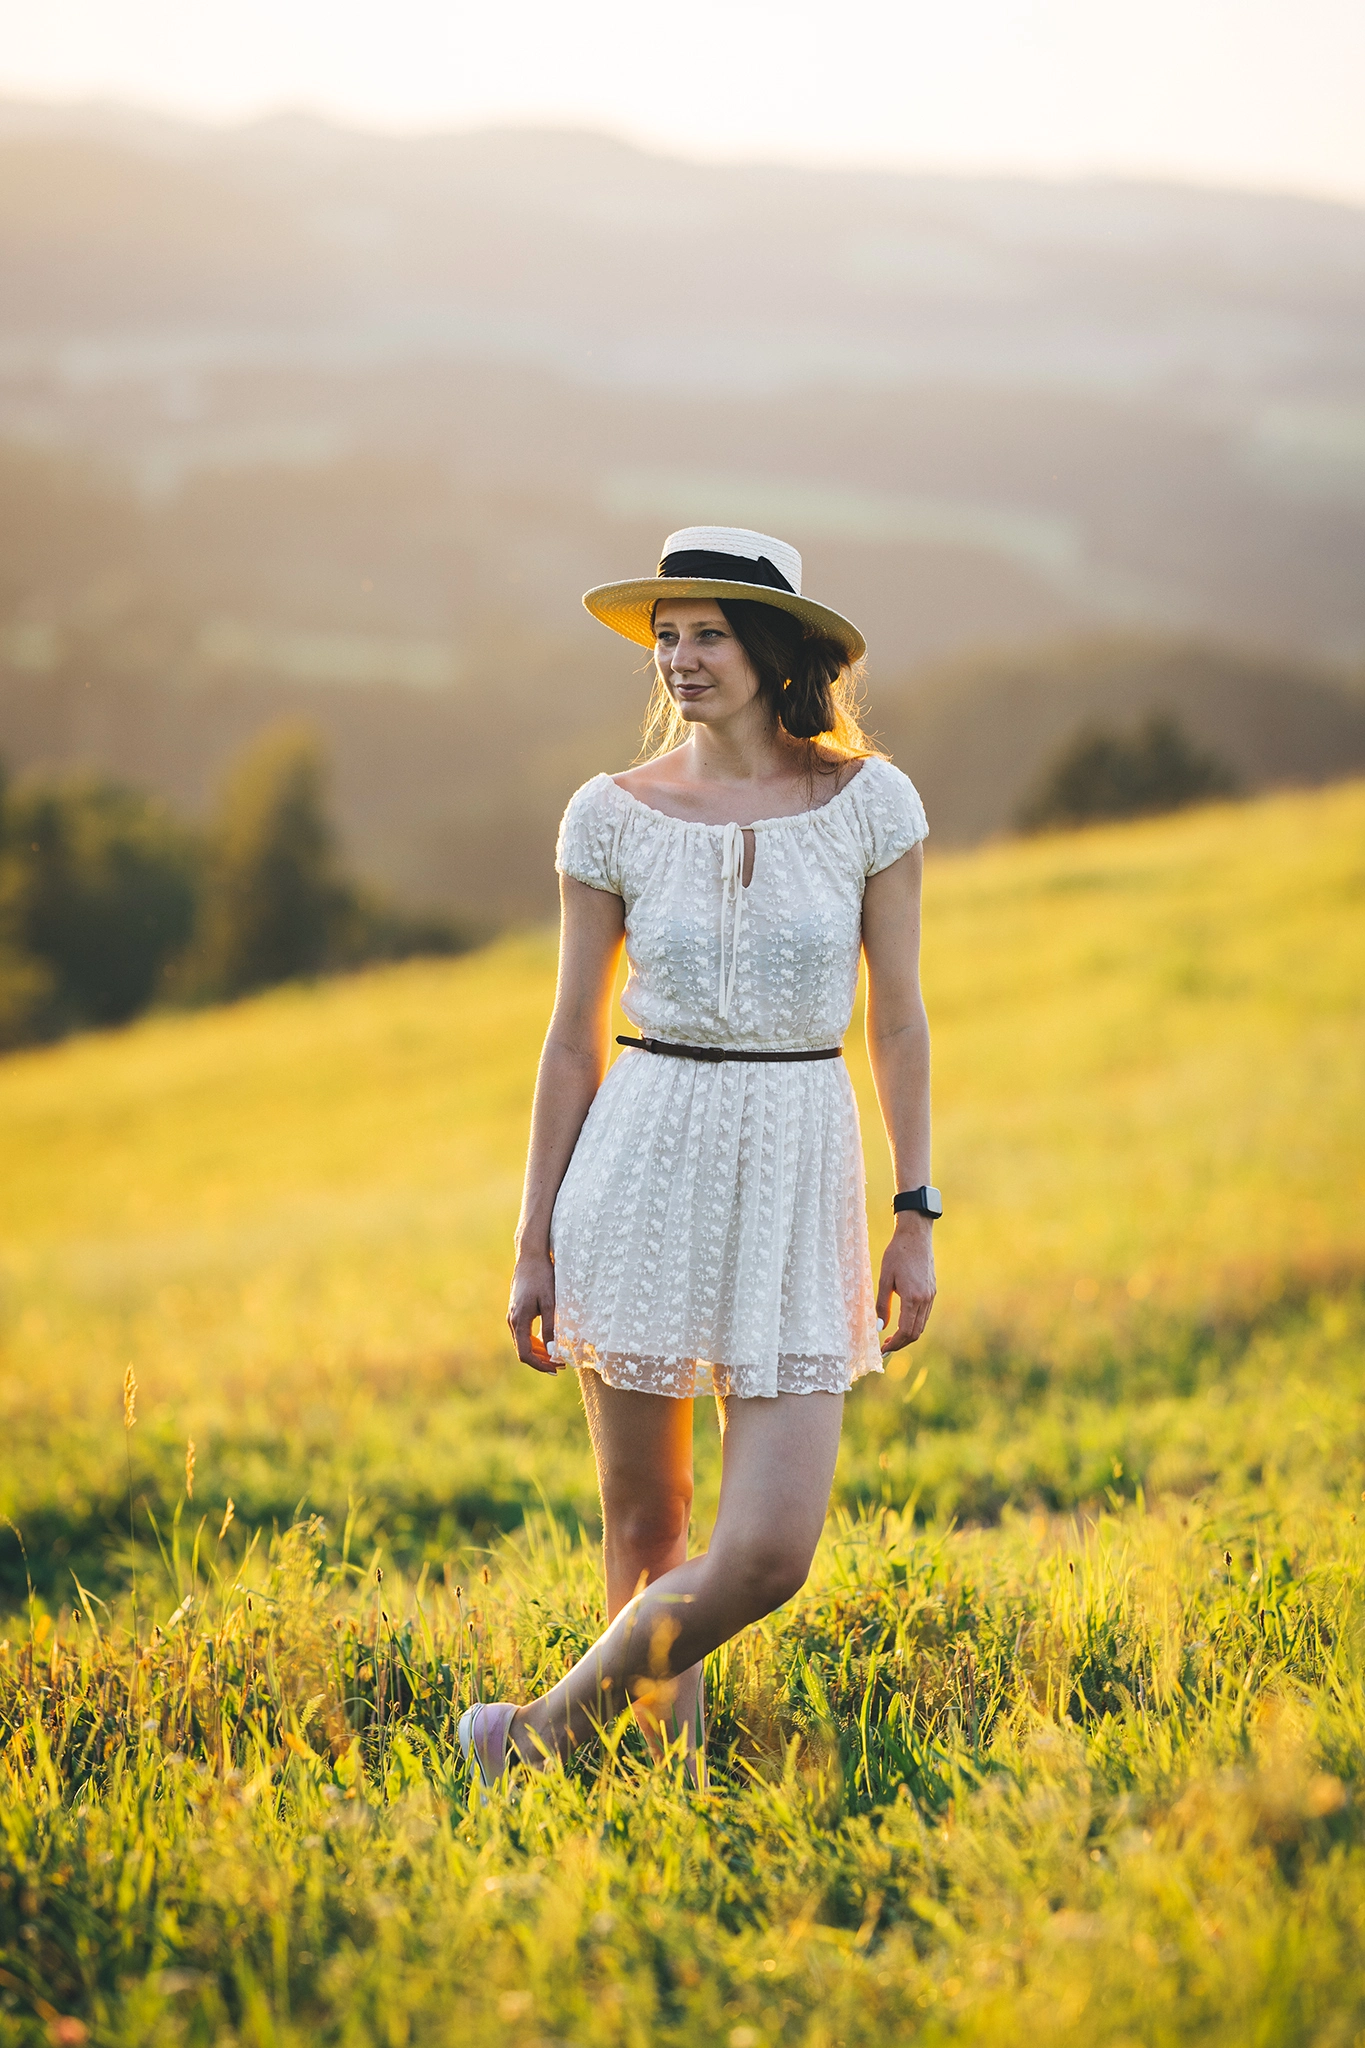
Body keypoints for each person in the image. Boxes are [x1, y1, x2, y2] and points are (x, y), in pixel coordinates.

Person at [459, 525, 937, 1787]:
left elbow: (896, 1018)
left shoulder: (871, 803)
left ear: (775, 647)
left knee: (772, 1547)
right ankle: (661, 1787)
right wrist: (533, 1238)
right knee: (649, 1525)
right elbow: (570, 1041)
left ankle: (533, 1736)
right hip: (640, 1158)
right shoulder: (610, 815)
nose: (678, 656)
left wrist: (917, 1210)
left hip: (797, 1164)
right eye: (665, 635)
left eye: (707, 632)